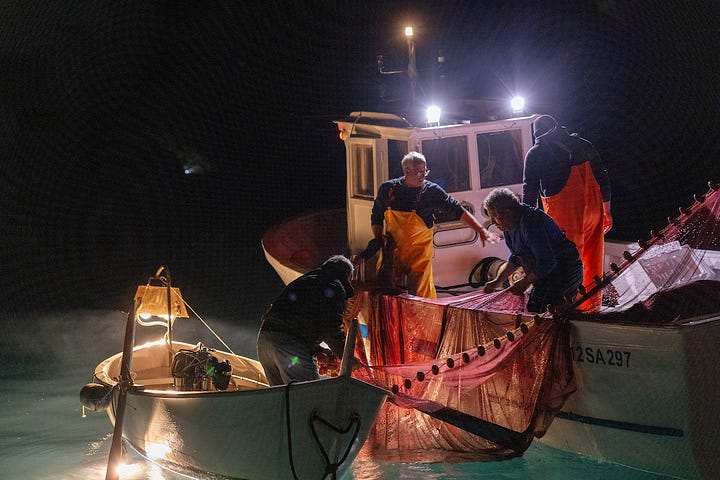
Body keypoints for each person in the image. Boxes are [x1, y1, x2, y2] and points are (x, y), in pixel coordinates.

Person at [363, 151, 496, 298]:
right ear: (406, 170)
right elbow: (376, 216)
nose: (422, 176)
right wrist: (378, 237)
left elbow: (457, 209)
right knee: (389, 294)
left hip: (419, 257)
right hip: (392, 254)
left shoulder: (431, 192)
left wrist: (481, 230)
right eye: (418, 172)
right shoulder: (388, 189)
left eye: (424, 171)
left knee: (418, 297)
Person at [522, 115, 612, 311]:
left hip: (565, 215)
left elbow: (529, 191)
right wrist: (607, 211)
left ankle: (567, 307)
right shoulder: (583, 144)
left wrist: (525, 226)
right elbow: (602, 177)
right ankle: (591, 307)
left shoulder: (536, 153)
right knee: (591, 259)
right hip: (594, 211)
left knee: (567, 262)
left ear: (536, 134)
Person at [257, 255, 355, 386]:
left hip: (265, 341)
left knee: (283, 399)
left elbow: (299, 318)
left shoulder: (308, 279)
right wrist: (347, 357)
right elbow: (331, 328)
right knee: (311, 398)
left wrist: (318, 350)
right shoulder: (334, 286)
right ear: (347, 276)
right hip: (287, 345)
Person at [483, 187, 583, 314]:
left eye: (494, 217)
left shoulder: (531, 222)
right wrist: (497, 281)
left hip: (564, 271)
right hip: (545, 274)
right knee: (533, 310)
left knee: (549, 312)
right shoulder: (508, 226)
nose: (492, 222)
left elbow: (546, 262)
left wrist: (524, 282)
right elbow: (515, 258)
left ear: (507, 213)